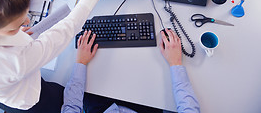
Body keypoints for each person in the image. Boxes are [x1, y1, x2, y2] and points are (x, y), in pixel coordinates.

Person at [61, 29, 200, 113]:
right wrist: (175, 63)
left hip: (100, 108)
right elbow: (189, 109)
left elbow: (71, 107)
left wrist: (80, 62)